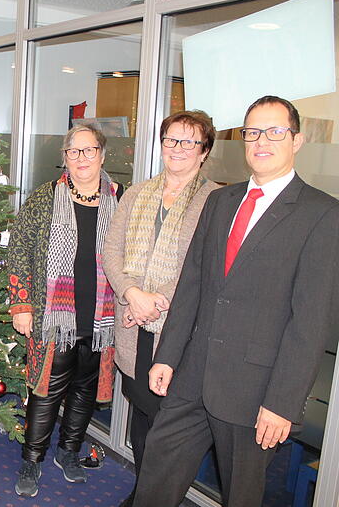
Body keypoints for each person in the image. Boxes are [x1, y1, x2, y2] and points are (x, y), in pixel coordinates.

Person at [133, 96, 339, 507]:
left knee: (241, 496)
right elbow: (192, 284)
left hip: (255, 392)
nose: (261, 141)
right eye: (252, 132)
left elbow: (310, 322)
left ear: (296, 140)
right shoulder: (221, 201)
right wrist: (167, 356)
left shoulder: (322, 214)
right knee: (155, 480)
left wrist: (282, 403)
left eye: (274, 131)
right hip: (191, 378)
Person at [102, 110, 220, 507]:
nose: (178, 149)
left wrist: (157, 301)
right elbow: (111, 251)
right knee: (141, 411)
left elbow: (202, 266)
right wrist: (133, 293)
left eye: (189, 142)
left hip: (178, 330)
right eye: (171, 139)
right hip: (133, 322)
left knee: (166, 422)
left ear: (204, 151)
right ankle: (144, 490)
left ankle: (152, 496)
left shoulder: (215, 199)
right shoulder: (137, 193)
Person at [7, 125, 123, 497]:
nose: (82, 158)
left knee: (85, 389)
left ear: (103, 156)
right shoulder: (45, 198)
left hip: (101, 316)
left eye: (90, 151)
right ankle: (32, 459)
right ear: (65, 158)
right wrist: (21, 304)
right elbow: (19, 249)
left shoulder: (120, 203)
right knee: (46, 391)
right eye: (75, 152)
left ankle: (69, 451)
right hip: (53, 315)